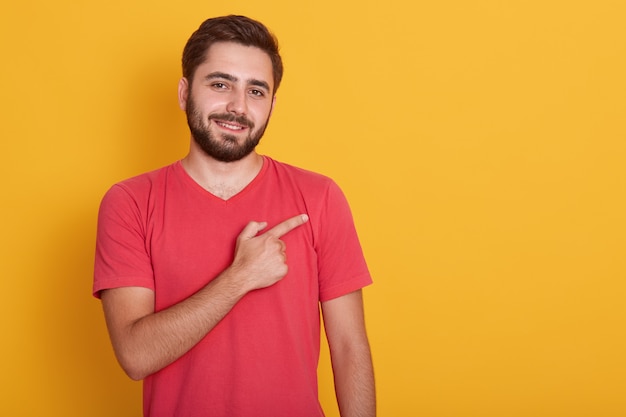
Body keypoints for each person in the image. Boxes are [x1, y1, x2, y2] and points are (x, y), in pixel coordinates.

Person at [93, 15, 375, 417]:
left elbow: (350, 347)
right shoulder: (130, 203)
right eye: (220, 84)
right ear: (184, 92)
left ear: (272, 104)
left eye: (256, 91)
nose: (237, 107)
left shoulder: (320, 197)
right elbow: (136, 355)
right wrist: (240, 277)